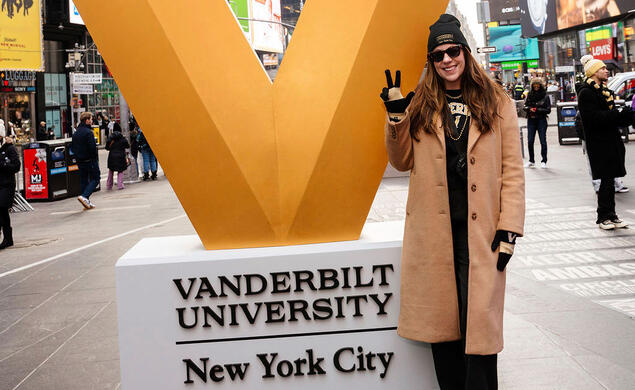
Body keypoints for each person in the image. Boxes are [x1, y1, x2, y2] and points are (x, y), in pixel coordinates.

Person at [380, 14, 525, 389]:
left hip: (482, 236)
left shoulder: (498, 102)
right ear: (431, 62)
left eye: (453, 50)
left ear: (466, 52)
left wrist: (510, 228)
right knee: (443, 332)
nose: (447, 59)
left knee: (480, 334)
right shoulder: (422, 106)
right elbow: (401, 161)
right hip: (435, 237)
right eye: (438, 55)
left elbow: (512, 170)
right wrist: (396, 117)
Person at [577, 54, 633, 230]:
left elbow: (613, 118)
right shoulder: (586, 92)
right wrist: (617, 115)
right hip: (599, 143)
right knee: (605, 181)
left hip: (610, 141)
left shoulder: (604, 91)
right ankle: (603, 217)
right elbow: (593, 118)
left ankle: (612, 215)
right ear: (593, 72)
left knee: (609, 180)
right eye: (602, 68)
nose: (606, 71)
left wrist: (627, 114)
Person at [71, 112, 100, 209]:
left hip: (80, 160)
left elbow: (73, 147)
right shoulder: (88, 132)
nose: (92, 121)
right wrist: (94, 158)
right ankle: (85, 196)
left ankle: (86, 200)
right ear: (87, 120)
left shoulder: (76, 133)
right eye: (91, 119)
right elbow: (92, 148)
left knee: (84, 180)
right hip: (90, 160)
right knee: (96, 178)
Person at [524, 77, 551, 168]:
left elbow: (548, 110)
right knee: (530, 141)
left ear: (540, 86)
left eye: (537, 85)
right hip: (531, 120)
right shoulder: (530, 95)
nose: (536, 86)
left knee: (543, 141)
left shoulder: (545, 96)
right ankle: (531, 160)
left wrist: (537, 110)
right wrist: (529, 109)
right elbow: (525, 106)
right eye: (534, 85)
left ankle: (544, 161)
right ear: (532, 86)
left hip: (541, 120)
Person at [0, 135, 20, 249]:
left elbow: (16, 166)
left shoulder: (9, 148)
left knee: (1, 208)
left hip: (7, 184)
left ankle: (7, 238)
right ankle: (8, 239)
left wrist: (3, 164)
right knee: (2, 212)